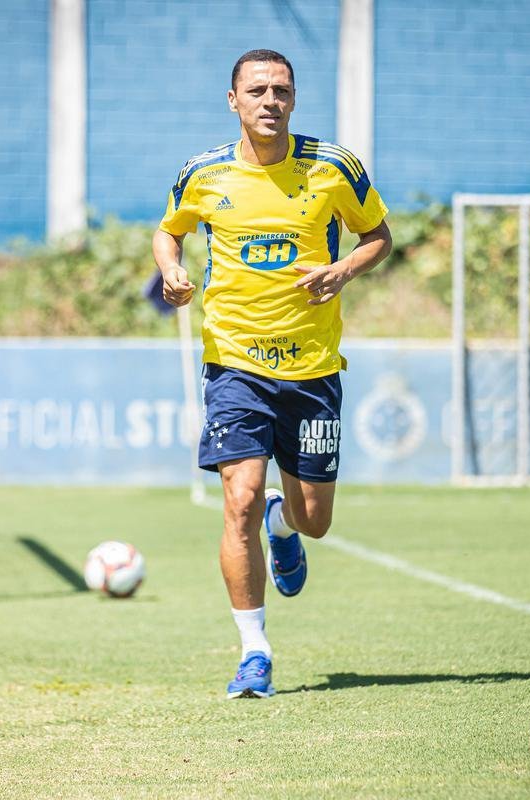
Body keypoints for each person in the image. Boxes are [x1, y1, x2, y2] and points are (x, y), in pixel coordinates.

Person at [152, 49, 392, 698]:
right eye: (256, 90)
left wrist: (342, 271)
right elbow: (169, 231)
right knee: (240, 499)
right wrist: (171, 271)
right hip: (235, 363)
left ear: (294, 99)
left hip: (313, 368)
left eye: (281, 90)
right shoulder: (203, 173)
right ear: (233, 100)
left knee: (315, 519)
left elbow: (378, 236)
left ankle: (284, 524)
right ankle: (254, 652)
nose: (270, 101)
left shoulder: (334, 167)